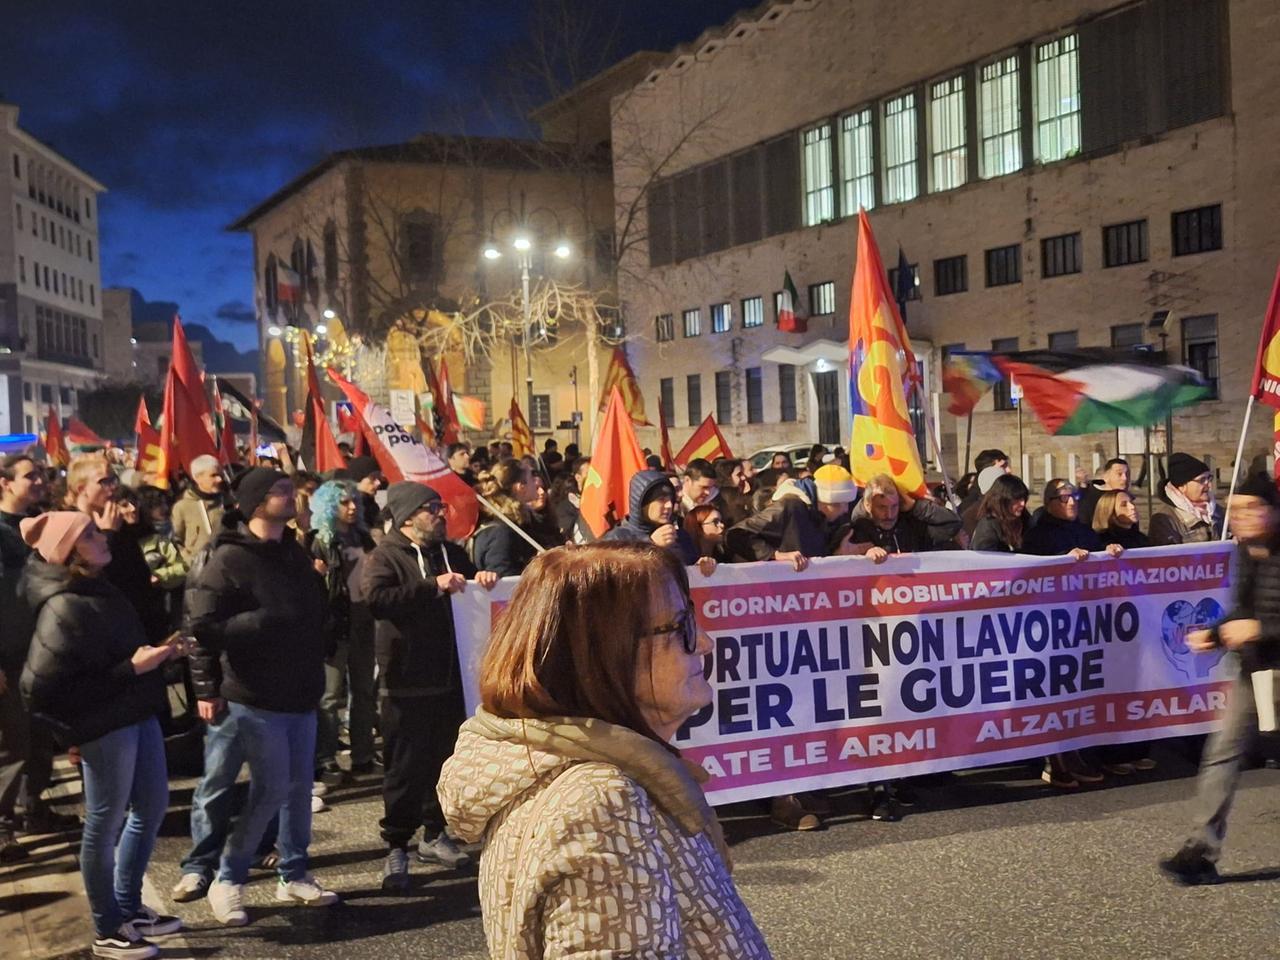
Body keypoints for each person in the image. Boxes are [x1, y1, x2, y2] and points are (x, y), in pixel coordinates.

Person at [437, 543, 771, 959]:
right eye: (681, 625)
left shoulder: (580, 777)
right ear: (604, 655)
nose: (704, 643)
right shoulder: (602, 802)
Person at [20, 511, 181, 959]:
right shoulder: (64, 605)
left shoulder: (97, 588)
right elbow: (38, 690)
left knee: (150, 807)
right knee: (104, 823)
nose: (101, 536)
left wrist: (155, 656)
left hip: (135, 710)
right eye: (89, 535)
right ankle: (108, 928)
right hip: (105, 725)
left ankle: (129, 909)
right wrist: (131, 668)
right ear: (71, 553)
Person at [186, 467, 337, 926]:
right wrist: (259, 623)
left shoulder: (294, 551)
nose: (292, 496)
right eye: (281, 491)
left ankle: (294, 872)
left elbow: (309, 614)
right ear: (256, 503)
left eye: (290, 489)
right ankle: (227, 878)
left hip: (300, 690)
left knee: (296, 792)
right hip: (256, 695)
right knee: (268, 790)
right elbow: (203, 628)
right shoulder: (228, 558)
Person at [362, 482, 498, 891]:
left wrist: (483, 579)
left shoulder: (451, 553)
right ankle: (396, 844)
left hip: (451, 677)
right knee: (405, 767)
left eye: (440, 507)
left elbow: (472, 586)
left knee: (445, 761)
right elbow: (376, 599)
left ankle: (434, 833)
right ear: (406, 517)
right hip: (405, 679)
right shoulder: (384, 557)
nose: (441, 514)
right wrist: (431, 586)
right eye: (431, 508)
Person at [1159, 473, 1280, 885]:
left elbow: (1258, 620)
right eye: (1236, 509)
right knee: (1223, 753)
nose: (1240, 517)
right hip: (1255, 672)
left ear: (1271, 510)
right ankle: (1201, 850)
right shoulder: (1245, 550)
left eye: (1251, 509)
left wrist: (1260, 630)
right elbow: (1241, 607)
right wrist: (1214, 634)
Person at [1022, 479, 1122, 789]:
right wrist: (1063, 559)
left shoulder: (1085, 530)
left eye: (1074, 496)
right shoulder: (1038, 535)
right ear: (1049, 501)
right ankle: (1057, 760)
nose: (1071, 502)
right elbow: (1031, 572)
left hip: (1085, 623)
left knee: (1082, 690)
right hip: (1052, 625)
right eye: (1063, 498)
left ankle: (1080, 754)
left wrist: (1107, 553)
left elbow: (1098, 563)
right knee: (1057, 692)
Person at [1, 453, 59, 862]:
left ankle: (32, 807)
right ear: (4, 483)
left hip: (39, 649)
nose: (39, 480)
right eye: (30, 475)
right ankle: (3, 828)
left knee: (38, 737)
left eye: (40, 473)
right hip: (7, 656)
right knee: (10, 746)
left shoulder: (39, 523)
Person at [305, 480, 378, 786]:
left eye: (353, 503)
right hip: (335, 626)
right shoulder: (317, 541)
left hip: (364, 623)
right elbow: (308, 587)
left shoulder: (363, 537)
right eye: (343, 503)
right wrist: (315, 575)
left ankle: (362, 756)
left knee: (363, 692)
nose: (351, 508)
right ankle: (326, 759)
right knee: (330, 696)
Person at [69, 455, 167, 643]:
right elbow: (87, 577)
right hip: (105, 632)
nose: (113, 486)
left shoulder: (120, 524)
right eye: (104, 481)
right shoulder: (71, 528)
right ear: (82, 489)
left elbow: (138, 576)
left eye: (113, 479)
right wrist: (108, 534)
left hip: (140, 625)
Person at [726, 464, 862, 569]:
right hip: (779, 593)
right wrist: (775, 555)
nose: (845, 510)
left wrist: (838, 553)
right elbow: (736, 535)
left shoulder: (826, 518)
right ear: (824, 501)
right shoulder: (790, 506)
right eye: (840, 504)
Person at [847, 473, 963, 553]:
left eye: (894, 506)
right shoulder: (856, 531)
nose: (889, 515)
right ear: (868, 505)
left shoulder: (911, 525)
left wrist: (916, 506)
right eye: (882, 507)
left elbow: (953, 524)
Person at [601, 470, 699, 564]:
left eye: (671, 499)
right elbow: (613, 574)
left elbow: (690, 573)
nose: (669, 505)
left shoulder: (680, 537)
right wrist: (651, 545)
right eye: (661, 500)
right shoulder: (617, 539)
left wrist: (702, 565)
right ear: (642, 503)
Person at [471, 458, 541, 578]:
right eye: (532, 478)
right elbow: (504, 580)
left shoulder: (521, 522)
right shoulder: (501, 533)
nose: (537, 483)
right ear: (520, 487)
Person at [1149, 453, 1223, 545]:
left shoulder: (1218, 512)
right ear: (1182, 486)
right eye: (1202, 480)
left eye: (1209, 478)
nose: (1209, 485)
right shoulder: (1164, 520)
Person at [171, 455, 227, 563]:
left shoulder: (228, 503)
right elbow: (176, 541)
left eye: (220, 475)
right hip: (196, 570)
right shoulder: (182, 507)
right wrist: (190, 561)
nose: (219, 479)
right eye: (213, 475)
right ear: (197, 477)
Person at [970, 474, 1031, 553]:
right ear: (1002, 500)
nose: (1022, 504)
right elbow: (986, 557)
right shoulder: (988, 526)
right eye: (1017, 499)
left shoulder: (1025, 520)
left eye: (1024, 499)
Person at [1079, 457, 1131, 525]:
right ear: (1105, 477)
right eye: (1119, 474)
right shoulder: (1090, 501)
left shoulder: (1128, 500)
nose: (1125, 478)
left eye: (1127, 474)